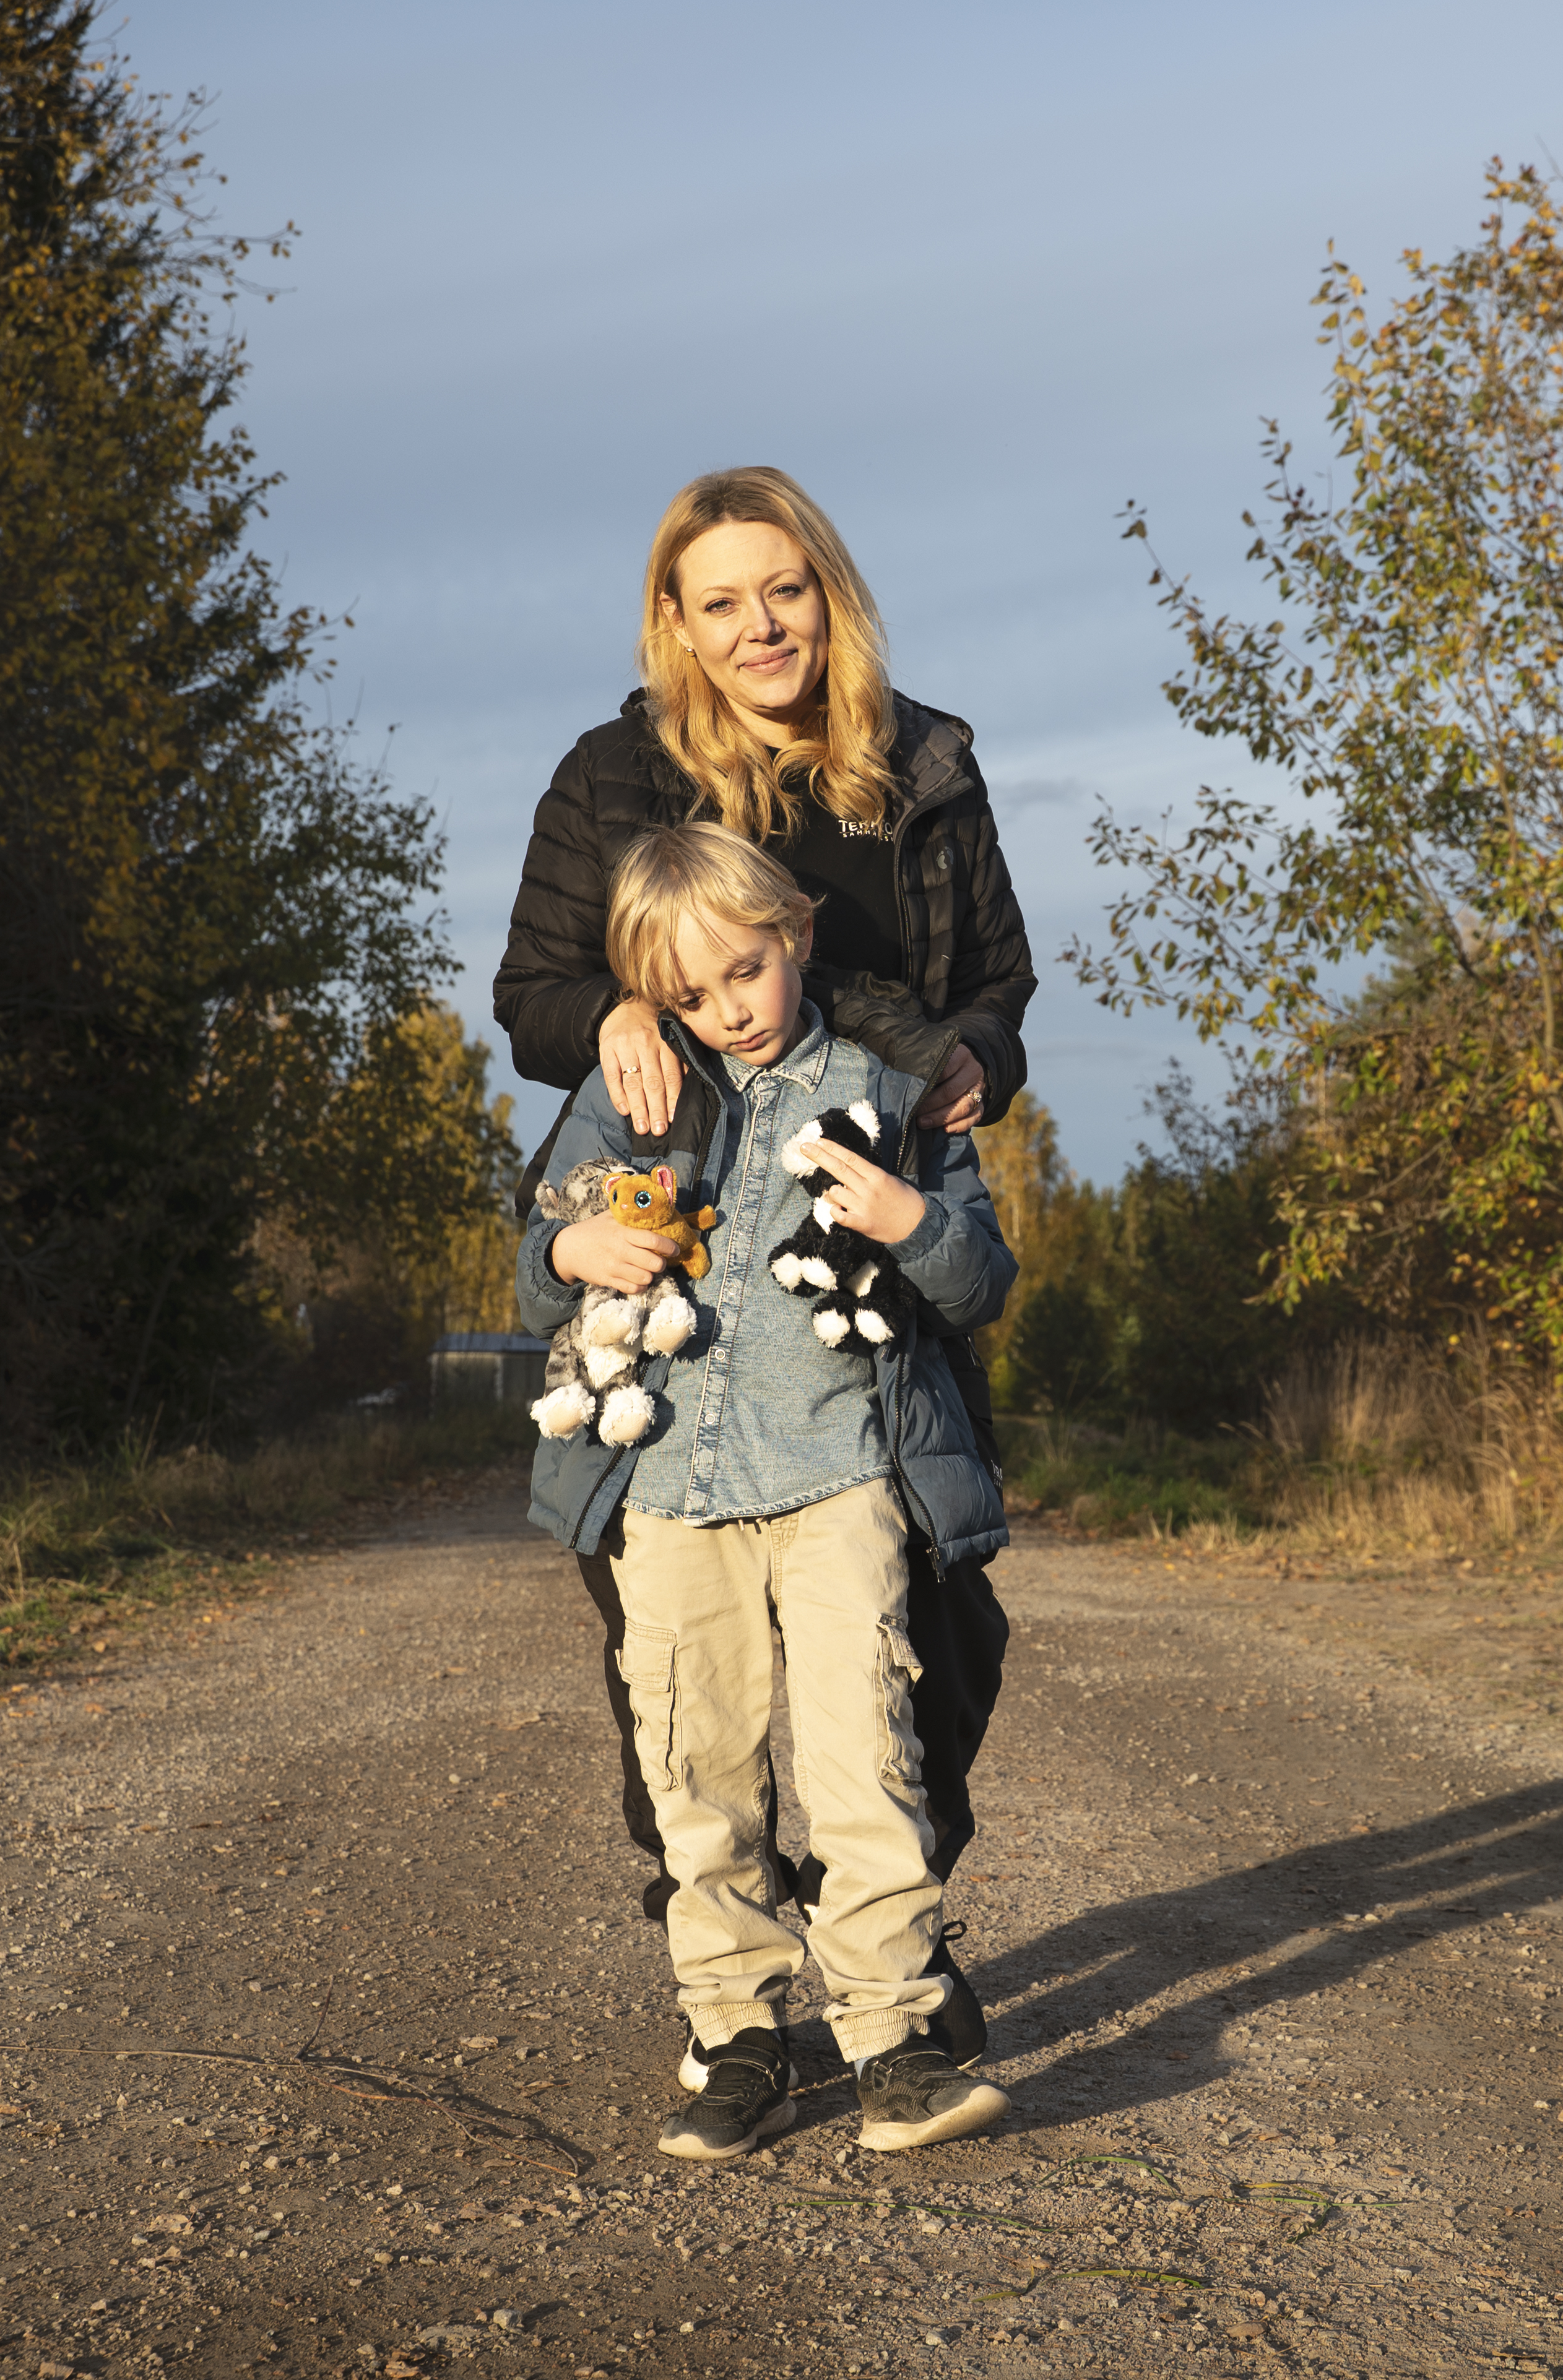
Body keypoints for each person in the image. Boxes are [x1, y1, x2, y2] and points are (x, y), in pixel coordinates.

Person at [491, 468, 1030, 2024]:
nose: (759, 624)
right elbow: (530, 988)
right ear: (675, 619)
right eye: (719, 600)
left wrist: (981, 1053)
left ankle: (883, 1928)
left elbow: (996, 978)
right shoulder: (614, 774)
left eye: (782, 589)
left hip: (877, 1211)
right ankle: (730, 1962)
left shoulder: (922, 763)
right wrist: (607, 1009)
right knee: (678, 1655)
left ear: (829, 589)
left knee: (942, 1619)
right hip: (677, 1229)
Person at [518, 824, 1016, 2158]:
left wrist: (911, 1222)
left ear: (795, 935)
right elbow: (529, 1266)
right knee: (698, 1767)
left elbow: (982, 1279)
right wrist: (574, 1241)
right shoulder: (633, 1089)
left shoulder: (888, 1086)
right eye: (692, 994)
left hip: (840, 1474)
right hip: (670, 1488)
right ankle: (739, 2031)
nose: (728, 1009)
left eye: (746, 970)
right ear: (654, 997)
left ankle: (892, 2039)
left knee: (866, 1757)